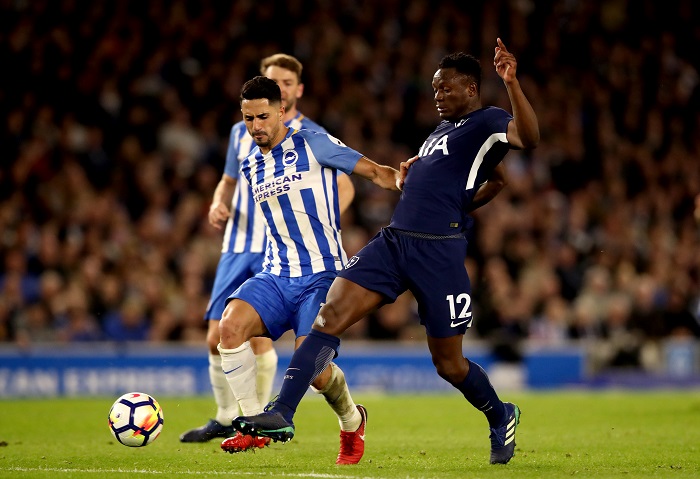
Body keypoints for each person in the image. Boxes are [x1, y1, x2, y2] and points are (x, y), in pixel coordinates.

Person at [232, 38, 540, 465]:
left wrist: (512, 83)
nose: (438, 95)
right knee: (330, 316)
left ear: (471, 88)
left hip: (439, 253)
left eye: (446, 88)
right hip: (394, 242)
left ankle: (500, 413)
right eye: (434, 89)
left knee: (449, 364)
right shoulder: (438, 134)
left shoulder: (488, 120)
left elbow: (527, 137)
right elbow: (477, 181)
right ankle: (282, 412)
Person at [216, 75, 405, 463]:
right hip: (276, 274)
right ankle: (254, 423)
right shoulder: (250, 164)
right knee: (230, 326)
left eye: (263, 116)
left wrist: (408, 181)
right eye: (249, 119)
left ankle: (352, 421)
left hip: (322, 276)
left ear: (282, 110)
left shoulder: (313, 142)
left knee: (317, 372)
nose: (256, 127)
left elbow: (374, 172)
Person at [180, 54, 355, 446]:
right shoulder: (241, 133)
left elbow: (348, 184)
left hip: (294, 255)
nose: (282, 88)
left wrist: (315, 222)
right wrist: (216, 203)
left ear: (295, 91)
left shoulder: (312, 134)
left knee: (300, 359)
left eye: (287, 83)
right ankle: (235, 418)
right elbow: (227, 180)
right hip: (240, 243)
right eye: (273, 81)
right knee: (220, 335)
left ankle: (256, 422)